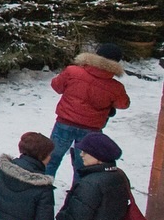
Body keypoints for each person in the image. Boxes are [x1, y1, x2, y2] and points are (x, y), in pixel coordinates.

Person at [45, 44, 129, 177]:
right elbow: (124, 104)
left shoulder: (72, 71)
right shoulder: (116, 87)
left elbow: (56, 86)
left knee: (51, 159)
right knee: (84, 165)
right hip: (91, 129)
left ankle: (43, 186)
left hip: (65, 123)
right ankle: (81, 189)